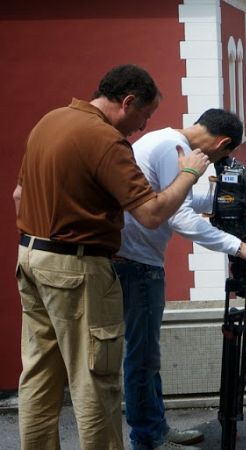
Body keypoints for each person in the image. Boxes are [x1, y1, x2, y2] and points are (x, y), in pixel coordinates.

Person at [14, 64, 209, 450]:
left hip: (31, 257)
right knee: (96, 379)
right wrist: (188, 173)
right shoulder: (104, 139)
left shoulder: (50, 121)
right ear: (128, 101)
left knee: (39, 377)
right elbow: (152, 214)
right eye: (143, 116)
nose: (141, 127)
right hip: (78, 267)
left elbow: (19, 196)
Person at [114, 109, 246, 450]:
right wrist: (239, 246)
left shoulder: (165, 138)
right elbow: (181, 217)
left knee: (146, 355)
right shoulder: (174, 149)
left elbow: (182, 199)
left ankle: (154, 429)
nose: (219, 162)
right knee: (142, 357)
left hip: (137, 261)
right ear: (223, 143)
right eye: (224, 155)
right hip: (137, 263)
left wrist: (232, 198)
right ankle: (149, 439)